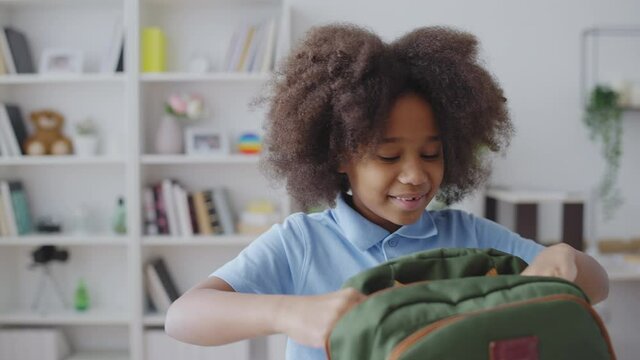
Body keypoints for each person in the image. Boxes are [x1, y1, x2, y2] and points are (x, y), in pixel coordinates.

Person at [165, 24, 609, 360]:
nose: (415, 175)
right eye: (388, 157)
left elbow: (598, 285)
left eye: (432, 154)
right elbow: (183, 317)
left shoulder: (471, 237)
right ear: (340, 155)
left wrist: (567, 259)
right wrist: (288, 313)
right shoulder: (302, 243)